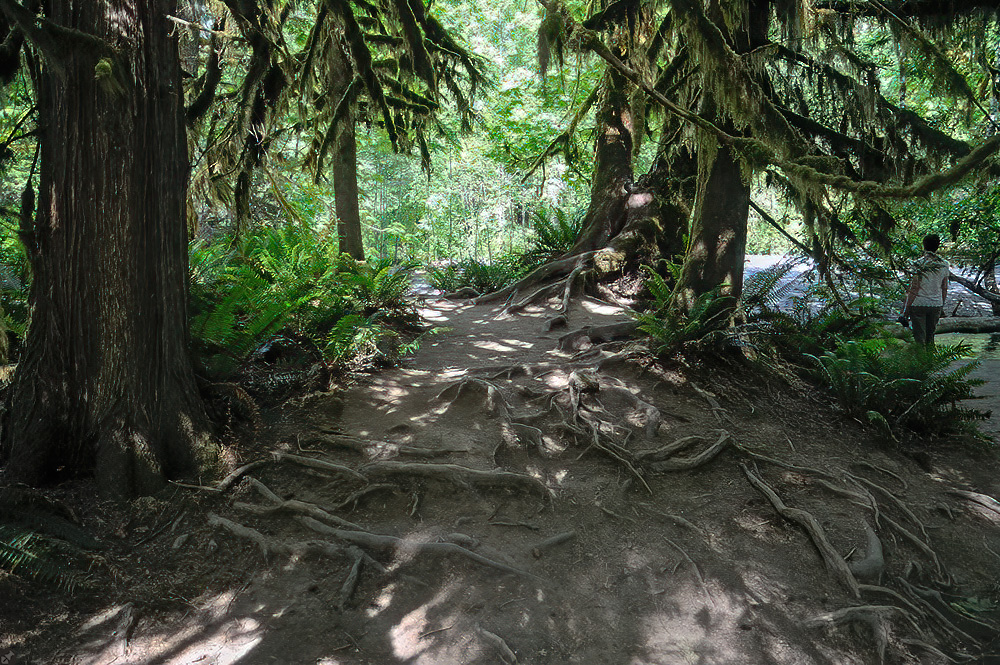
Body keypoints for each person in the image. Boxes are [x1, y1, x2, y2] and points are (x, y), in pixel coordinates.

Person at [901, 234, 950, 346]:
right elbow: (944, 287)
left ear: (924, 245)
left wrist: (906, 310)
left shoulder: (918, 264)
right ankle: (931, 357)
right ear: (937, 246)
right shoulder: (944, 264)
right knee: (930, 337)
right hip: (936, 304)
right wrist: (941, 305)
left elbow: (914, 287)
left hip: (918, 304)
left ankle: (921, 357)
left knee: (919, 338)